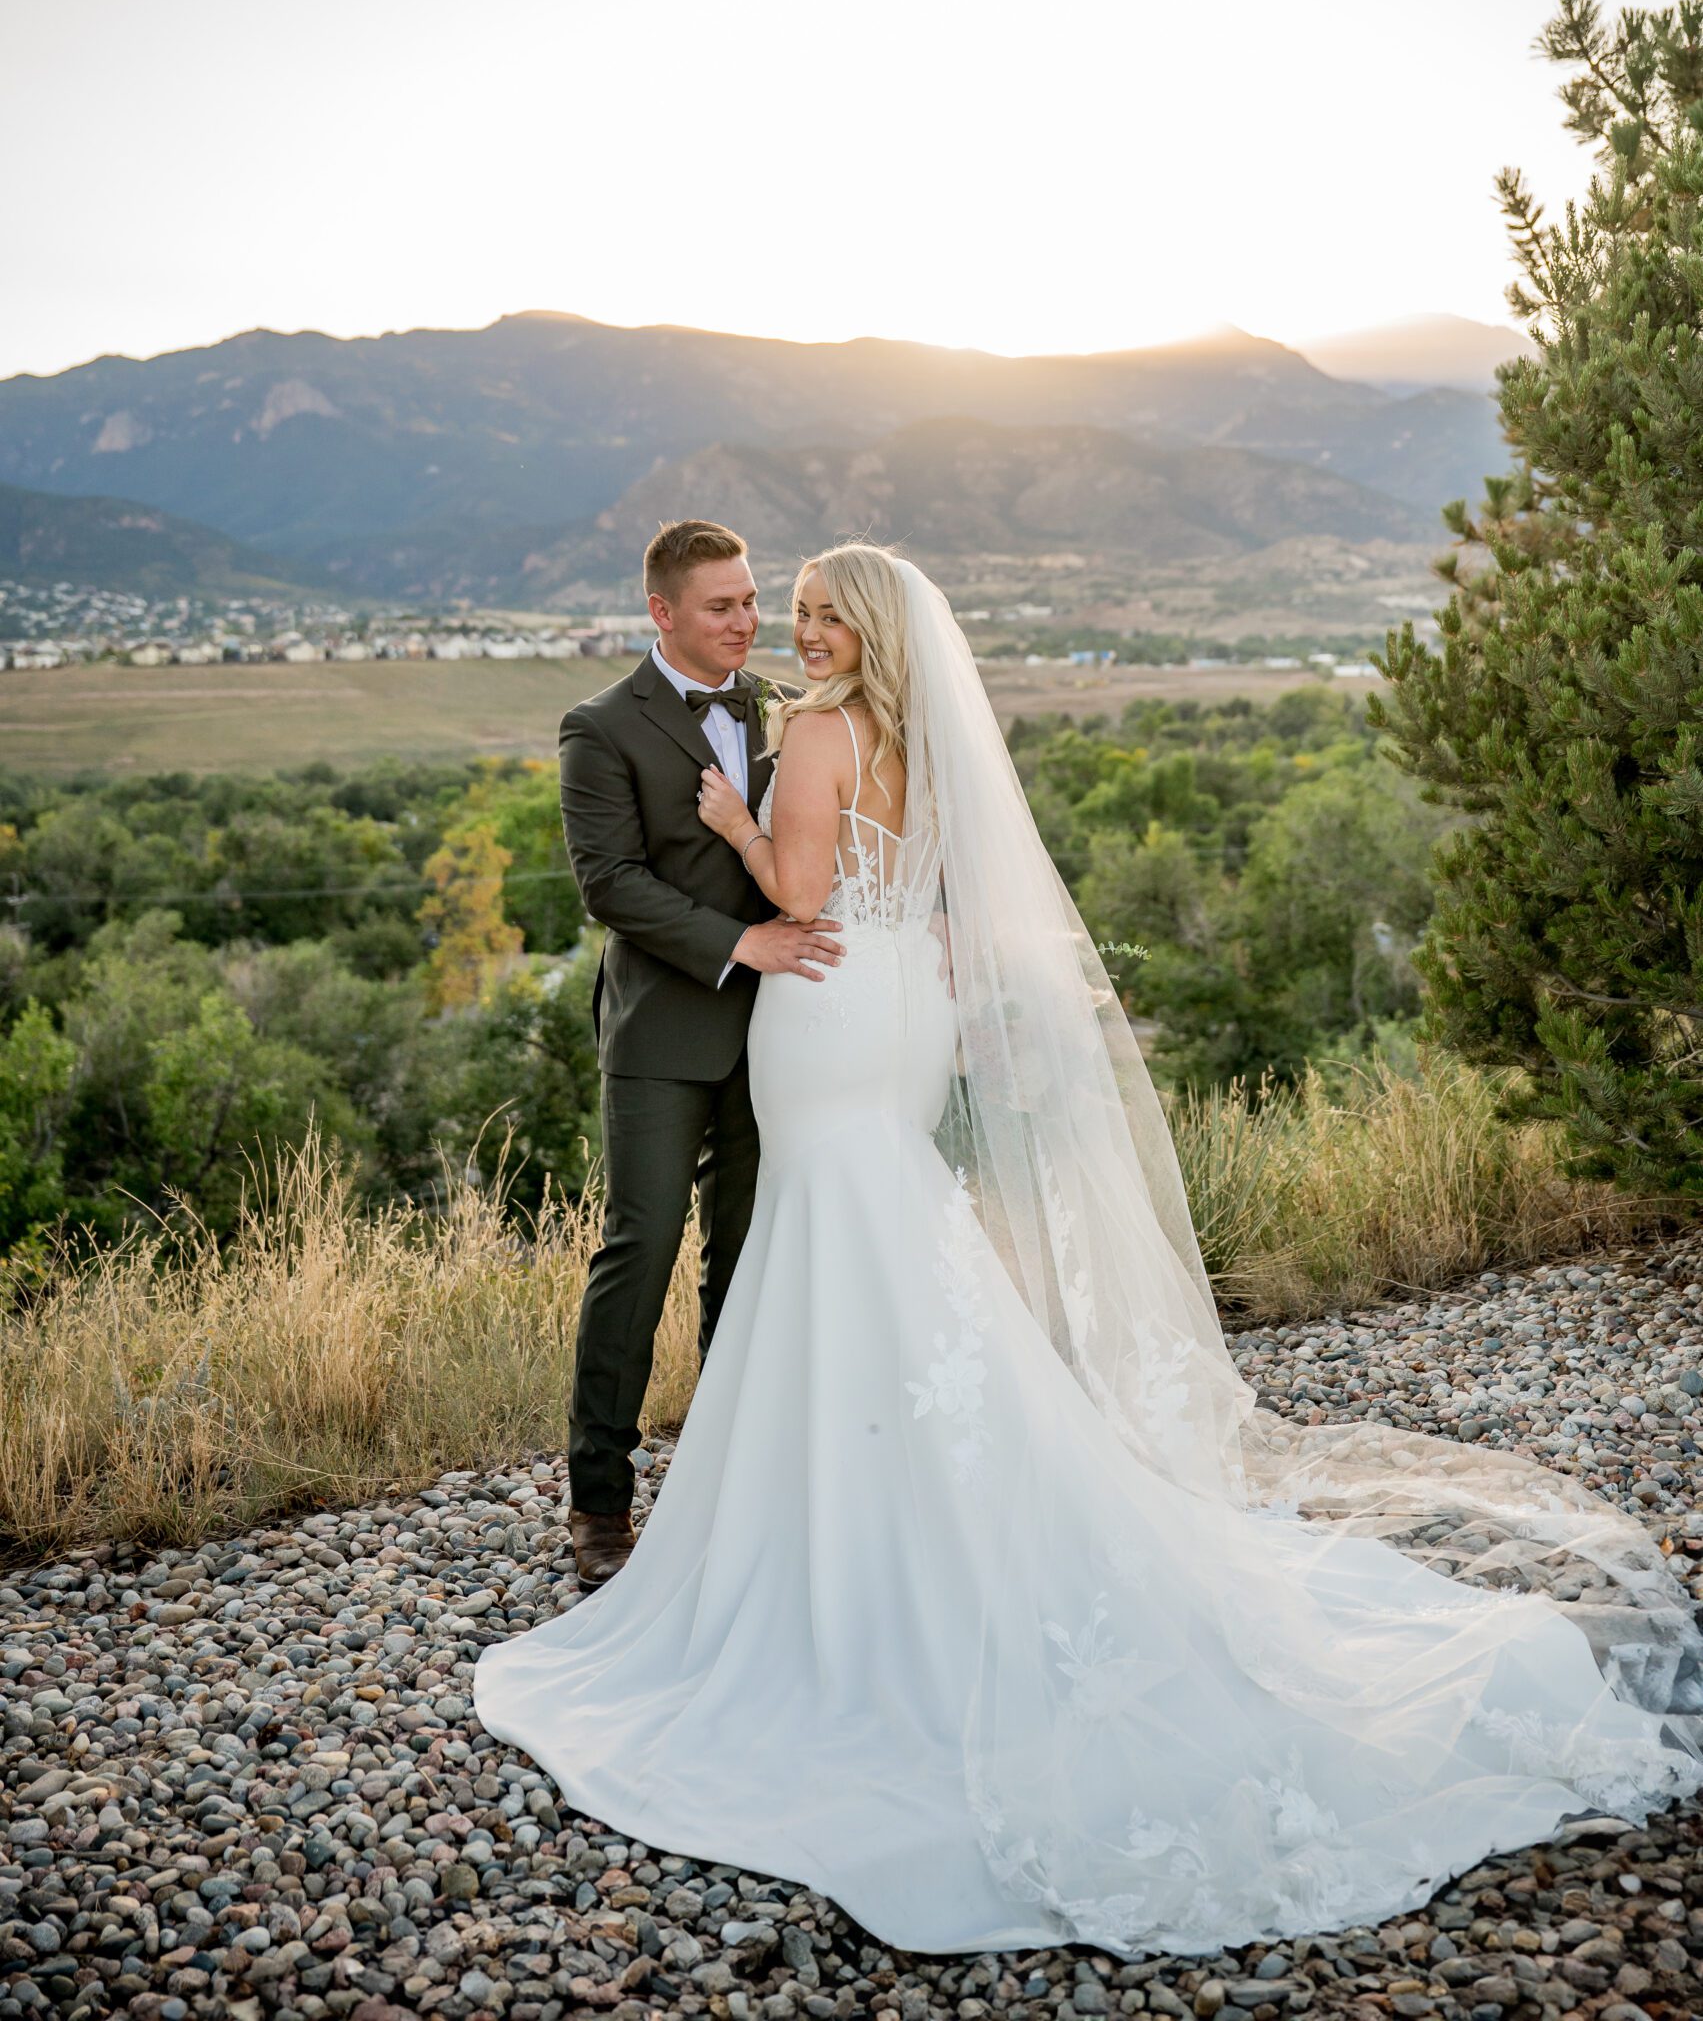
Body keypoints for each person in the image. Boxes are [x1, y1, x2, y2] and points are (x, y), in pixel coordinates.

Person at [477, 542, 1703, 1957]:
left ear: (856, 628)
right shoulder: (893, 728)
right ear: (670, 614)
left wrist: (746, 840)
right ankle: (688, 1484)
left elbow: (803, 891)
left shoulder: (802, 726)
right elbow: (686, 882)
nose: (782, 629)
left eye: (806, 610)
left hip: (819, 1002)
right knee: (858, 1238)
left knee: (828, 1235)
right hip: (862, 1014)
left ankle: (822, 1525)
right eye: (764, 610)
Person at [553, 517, 841, 1589]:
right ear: (661, 612)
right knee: (640, 1246)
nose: (748, 621)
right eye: (722, 605)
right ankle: (598, 1501)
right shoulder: (599, 727)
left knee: (745, 1255)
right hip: (663, 1030)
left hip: (780, 1031)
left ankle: (725, 1485)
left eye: (752, 600)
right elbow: (608, 884)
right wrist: (738, 942)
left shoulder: (782, 707)